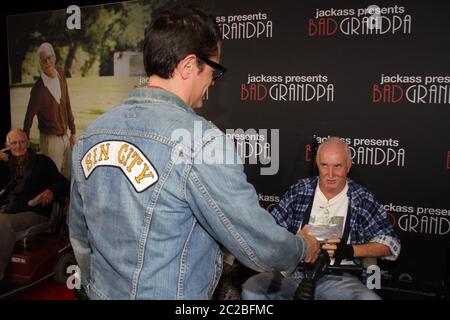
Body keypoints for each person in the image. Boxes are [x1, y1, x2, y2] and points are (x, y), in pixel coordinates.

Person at [68, 5, 320, 300]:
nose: (213, 83)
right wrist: (302, 246)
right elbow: (258, 244)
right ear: (189, 66)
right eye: (215, 72)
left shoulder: (91, 134)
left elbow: (79, 236)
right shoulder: (201, 141)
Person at [241, 137, 401, 300]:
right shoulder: (300, 190)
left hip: (337, 277)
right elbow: (270, 231)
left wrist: (349, 250)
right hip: (294, 272)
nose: (330, 174)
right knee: (252, 289)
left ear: (348, 166)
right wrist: (293, 241)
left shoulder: (362, 199)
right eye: (325, 165)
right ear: (317, 165)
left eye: (337, 166)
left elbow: (391, 245)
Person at [0, 128, 69, 280]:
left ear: (28, 142)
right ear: (7, 145)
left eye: (22, 142)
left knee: (3, 222)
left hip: (34, 211)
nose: (18, 146)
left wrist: (51, 191)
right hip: (8, 210)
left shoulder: (42, 162)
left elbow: (62, 183)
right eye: (14, 143)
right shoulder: (4, 166)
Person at [23, 42, 76, 179]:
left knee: (68, 175)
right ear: (40, 63)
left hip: (65, 135)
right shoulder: (38, 89)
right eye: (43, 60)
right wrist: (25, 141)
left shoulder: (60, 73)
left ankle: (65, 201)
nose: (47, 62)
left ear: (54, 57)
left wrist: (73, 131)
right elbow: (28, 117)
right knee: (51, 178)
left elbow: (67, 103)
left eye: (49, 57)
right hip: (50, 140)